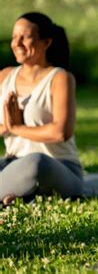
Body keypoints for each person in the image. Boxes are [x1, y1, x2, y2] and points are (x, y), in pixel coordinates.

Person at [0, 12, 83, 206]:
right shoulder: (4, 77)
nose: (17, 43)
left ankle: (17, 193)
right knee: (21, 166)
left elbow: (60, 132)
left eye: (25, 37)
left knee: (36, 162)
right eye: (14, 37)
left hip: (58, 168)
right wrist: (7, 125)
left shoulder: (60, 78)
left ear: (46, 43)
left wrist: (17, 128)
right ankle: (18, 195)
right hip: (12, 164)